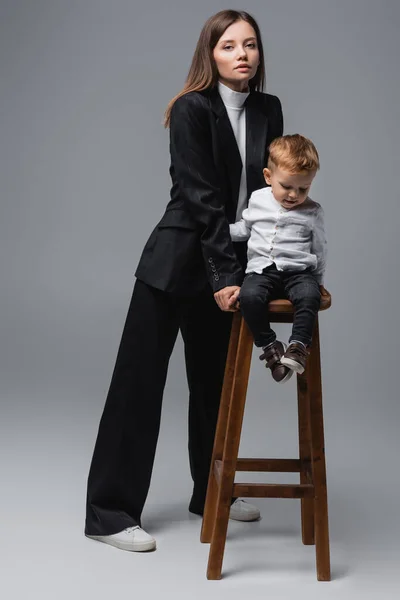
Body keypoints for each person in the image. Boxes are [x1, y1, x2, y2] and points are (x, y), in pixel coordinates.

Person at [84, 9, 284, 552]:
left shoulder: (269, 109)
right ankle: (109, 512)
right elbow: (200, 196)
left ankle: (210, 491)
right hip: (177, 262)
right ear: (210, 55)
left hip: (231, 263)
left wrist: (270, 263)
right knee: (138, 387)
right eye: (228, 46)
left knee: (215, 388)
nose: (241, 54)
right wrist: (224, 272)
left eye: (250, 45)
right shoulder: (191, 109)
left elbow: (270, 195)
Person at [230, 134, 328, 384]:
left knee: (309, 296)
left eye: (303, 189)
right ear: (268, 176)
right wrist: (221, 230)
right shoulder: (258, 200)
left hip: (299, 272)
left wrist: (317, 281)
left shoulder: (312, 211)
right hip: (261, 270)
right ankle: (271, 347)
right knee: (249, 297)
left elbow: (319, 248)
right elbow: (245, 228)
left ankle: (297, 347)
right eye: (287, 186)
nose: (294, 195)